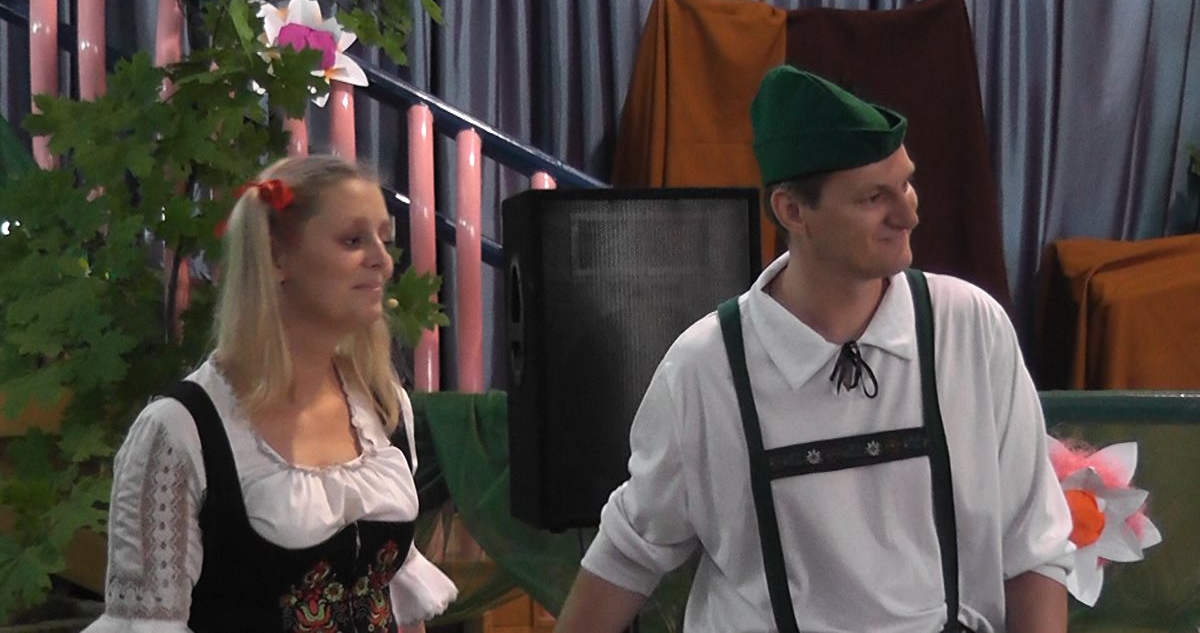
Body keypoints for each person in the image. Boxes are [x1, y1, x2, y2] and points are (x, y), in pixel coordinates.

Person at [555, 66, 1073, 632]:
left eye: (906, 184)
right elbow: (628, 553)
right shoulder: (706, 367)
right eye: (874, 197)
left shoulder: (969, 327)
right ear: (793, 212)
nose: (908, 214)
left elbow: (1033, 546)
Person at [85, 155, 457, 632]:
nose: (382, 261)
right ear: (277, 257)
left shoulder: (383, 407)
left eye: (383, 240)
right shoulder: (181, 431)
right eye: (352, 240)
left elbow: (398, 604)